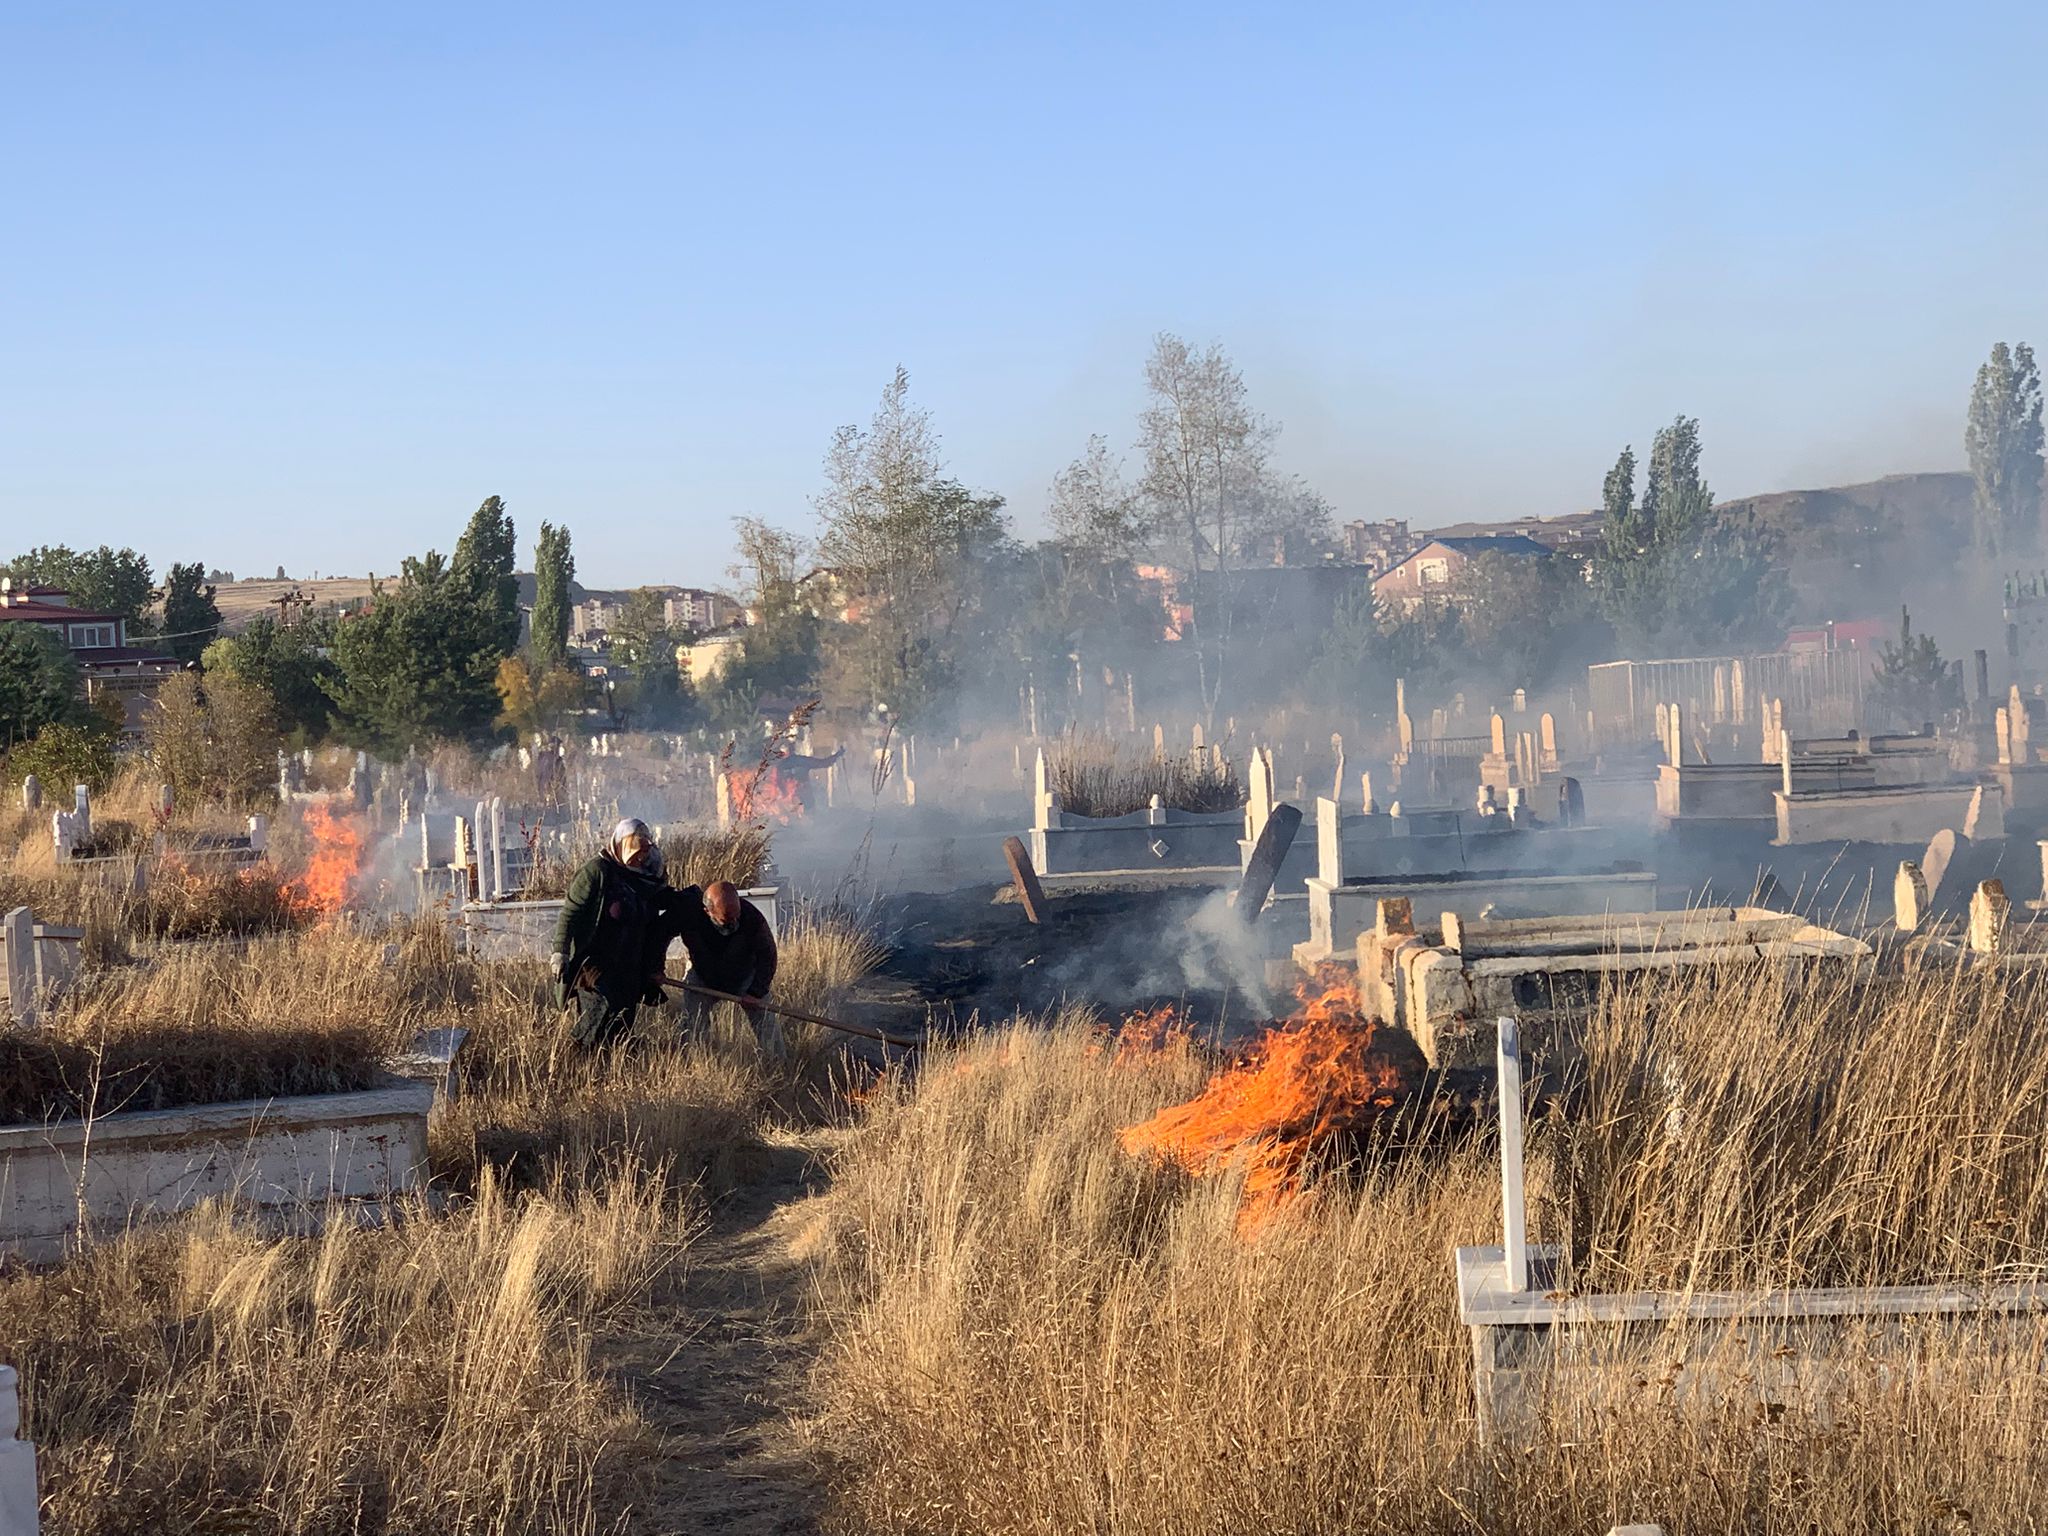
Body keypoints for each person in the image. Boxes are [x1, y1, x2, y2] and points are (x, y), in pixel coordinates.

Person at [550, 818, 672, 1050]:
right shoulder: (596, 872)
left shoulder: (644, 875)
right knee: (601, 1010)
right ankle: (580, 1060)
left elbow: (657, 907)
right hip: (595, 963)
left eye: (642, 854)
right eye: (634, 853)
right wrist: (560, 951)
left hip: (629, 963)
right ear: (620, 847)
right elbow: (570, 914)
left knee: (622, 1018)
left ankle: (614, 1068)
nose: (639, 859)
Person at [668, 880, 780, 1045]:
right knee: (693, 1021)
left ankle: (777, 1063)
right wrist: (656, 967)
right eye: (727, 919)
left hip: (744, 973)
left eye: (736, 916)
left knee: (767, 1023)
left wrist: (756, 992)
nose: (734, 922)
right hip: (702, 974)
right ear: (708, 911)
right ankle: (693, 1059)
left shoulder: (751, 916)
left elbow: (768, 955)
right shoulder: (690, 915)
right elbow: (660, 935)